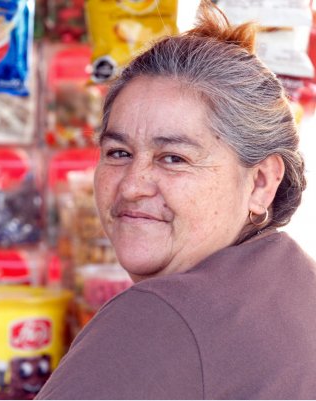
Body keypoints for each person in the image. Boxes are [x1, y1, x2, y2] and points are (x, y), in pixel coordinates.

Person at [36, 1, 316, 399]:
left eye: (174, 158)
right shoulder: (299, 285)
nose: (133, 185)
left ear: (261, 183)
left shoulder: (158, 315)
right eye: (118, 152)